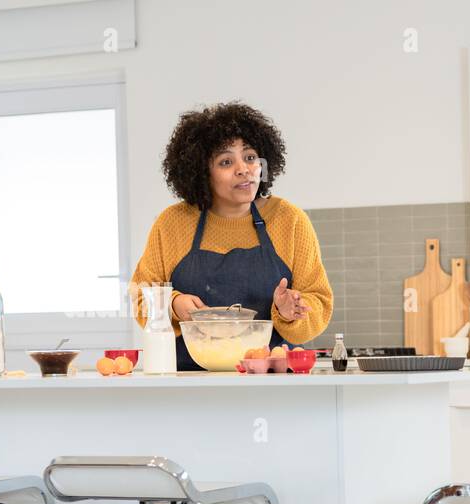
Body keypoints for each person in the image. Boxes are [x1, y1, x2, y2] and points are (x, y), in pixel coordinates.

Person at [131, 102, 332, 370]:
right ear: (202, 172)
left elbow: (318, 301)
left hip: (272, 381)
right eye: (226, 162)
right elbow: (139, 296)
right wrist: (173, 303)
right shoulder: (173, 223)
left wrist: (291, 310)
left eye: (250, 157)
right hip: (191, 382)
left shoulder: (290, 220)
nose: (243, 169)